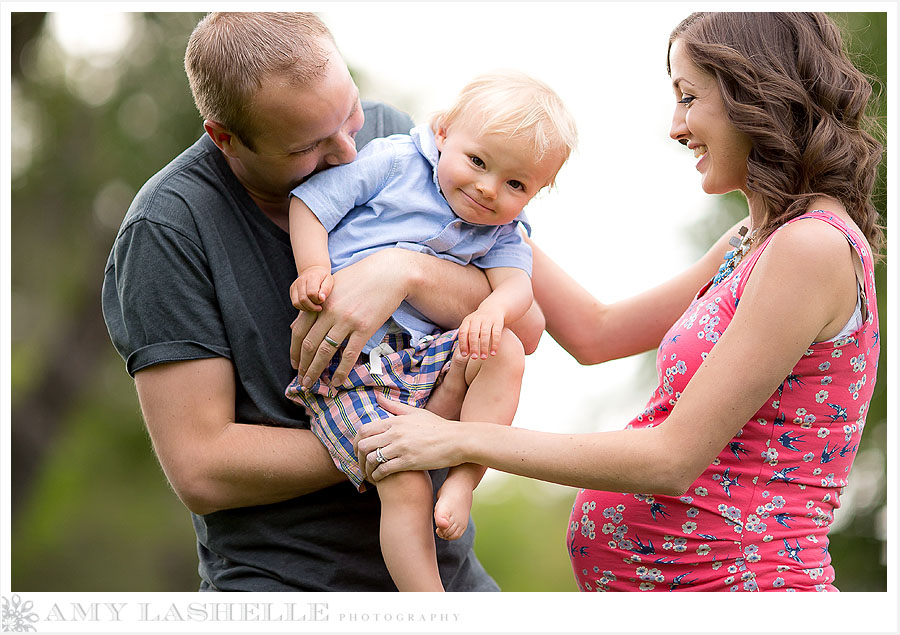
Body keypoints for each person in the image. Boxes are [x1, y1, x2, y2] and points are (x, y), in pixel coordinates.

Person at [355, 11, 883, 592]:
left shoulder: (810, 247)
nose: (677, 127)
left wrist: (456, 438)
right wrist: (455, 208)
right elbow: (595, 333)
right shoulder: (751, 243)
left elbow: (671, 459)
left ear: (751, 93)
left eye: (688, 97)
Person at [101, 12, 523, 591]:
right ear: (225, 137)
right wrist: (408, 435)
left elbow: (526, 321)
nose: (351, 150)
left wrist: (404, 272)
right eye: (308, 146)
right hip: (287, 587)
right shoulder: (169, 229)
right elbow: (204, 468)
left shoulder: (398, 141)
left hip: (454, 579)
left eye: (349, 110)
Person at [285, 72, 577, 590]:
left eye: (516, 184)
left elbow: (517, 290)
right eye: (478, 162)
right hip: (354, 366)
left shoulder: (505, 229)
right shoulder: (395, 162)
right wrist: (312, 269)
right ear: (442, 132)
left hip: (425, 357)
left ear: (537, 191)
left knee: (506, 349)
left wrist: (495, 310)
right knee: (406, 484)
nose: (489, 189)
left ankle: (464, 480)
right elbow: (309, 203)